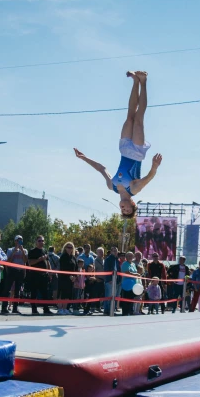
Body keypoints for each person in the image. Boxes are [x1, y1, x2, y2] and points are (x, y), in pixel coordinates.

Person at [74, 71, 162, 218]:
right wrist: (154, 166)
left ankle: (135, 81)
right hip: (136, 152)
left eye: (122, 211)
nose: (123, 209)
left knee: (130, 116)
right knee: (139, 118)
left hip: (124, 148)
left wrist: (84, 158)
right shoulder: (134, 189)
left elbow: (102, 169)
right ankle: (144, 81)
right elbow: (149, 177)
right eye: (127, 210)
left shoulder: (112, 186)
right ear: (133, 205)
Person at [27, 235, 54, 315]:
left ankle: (46, 309)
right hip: (34, 275)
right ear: (36, 242)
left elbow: (47, 262)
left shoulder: (45, 251)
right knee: (34, 293)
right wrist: (40, 259)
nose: (41, 242)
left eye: (42, 241)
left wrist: (50, 272)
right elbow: (30, 263)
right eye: (39, 241)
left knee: (45, 293)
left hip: (44, 276)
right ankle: (34, 309)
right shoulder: (32, 251)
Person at [4, 235, 28, 315]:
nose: (19, 242)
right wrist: (14, 252)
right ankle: (4, 307)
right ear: (15, 241)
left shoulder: (25, 250)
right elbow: (8, 261)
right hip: (12, 270)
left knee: (17, 291)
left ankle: (15, 308)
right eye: (18, 240)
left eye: (21, 240)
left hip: (20, 271)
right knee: (7, 289)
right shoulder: (10, 250)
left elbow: (25, 260)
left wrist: (22, 251)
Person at [57, 242, 76, 315]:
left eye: (71, 247)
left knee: (68, 294)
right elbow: (63, 268)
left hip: (71, 279)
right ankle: (60, 308)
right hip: (63, 278)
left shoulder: (73, 257)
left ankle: (65, 308)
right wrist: (69, 276)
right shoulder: (63, 256)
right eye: (68, 247)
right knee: (62, 294)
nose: (69, 249)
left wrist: (75, 276)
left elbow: (76, 268)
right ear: (65, 248)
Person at [102, 246, 121, 315]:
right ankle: (106, 310)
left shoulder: (117, 260)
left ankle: (112, 309)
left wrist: (119, 279)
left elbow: (118, 270)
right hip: (110, 280)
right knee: (108, 295)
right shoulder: (108, 259)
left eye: (116, 251)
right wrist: (109, 279)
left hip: (116, 280)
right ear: (111, 251)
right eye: (113, 251)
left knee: (114, 295)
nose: (115, 252)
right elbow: (106, 269)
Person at [120, 252, 137, 316]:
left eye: (131, 256)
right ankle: (125, 312)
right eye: (129, 256)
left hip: (133, 284)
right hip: (126, 285)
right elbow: (127, 272)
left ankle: (130, 312)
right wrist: (136, 274)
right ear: (126, 257)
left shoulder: (133, 264)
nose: (130, 257)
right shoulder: (124, 264)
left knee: (131, 299)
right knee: (126, 299)